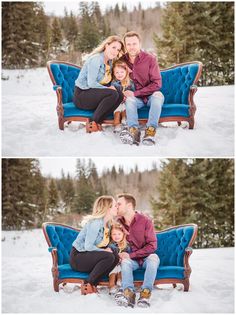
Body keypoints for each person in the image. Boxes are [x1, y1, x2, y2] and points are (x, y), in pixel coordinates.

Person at [119, 31, 165, 145]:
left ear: (140, 43)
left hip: (151, 96)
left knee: (157, 96)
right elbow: (116, 77)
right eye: (128, 44)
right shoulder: (121, 61)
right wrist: (124, 91)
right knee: (129, 100)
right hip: (135, 99)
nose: (131, 47)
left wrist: (136, 93)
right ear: (125, 45)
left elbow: (157, 83)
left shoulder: (150, 59)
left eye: (134, 44)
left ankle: (150, 132)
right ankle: (134, 131)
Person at [114, 194, 159, 308]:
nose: (116, 206)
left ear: (129, 205)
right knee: (125, 262)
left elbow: (152, 245)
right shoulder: (117, 222)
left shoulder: (145, 221)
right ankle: (129, 293)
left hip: (146, 258)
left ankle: (145, 294)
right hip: (131, 261)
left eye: (119, 204)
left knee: (153, 258)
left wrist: (132, 255)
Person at [73, 36, 125, 133]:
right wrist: (110, 89)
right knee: (112, 93)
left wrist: (120, 88)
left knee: (120, 95)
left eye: (118, 50)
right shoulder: (96, 59)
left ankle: (99, 122)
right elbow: (91, 83)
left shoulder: (109, 62)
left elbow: (107, 83)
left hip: (93, 94)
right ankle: (93, 123)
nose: (115, 51)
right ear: (106, 45)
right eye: (113, 47)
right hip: (82, 95)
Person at [69, 195, 120, 295]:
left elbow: (104, 244)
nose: (117, 207)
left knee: (115, 256)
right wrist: (105, 251)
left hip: (89, 256)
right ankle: (88, 285)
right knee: (109, 256)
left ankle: (94, 283)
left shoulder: (108, 224)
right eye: (114, 205)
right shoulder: (95, 223)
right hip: (78, 257)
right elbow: (88, 246)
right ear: (108, 208)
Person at [111, 60, 135, 133]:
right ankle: (117, 122)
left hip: (127, 101)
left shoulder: (130, 82)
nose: (119, 74)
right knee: (117, 105)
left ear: (126, 72)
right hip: (117, 102)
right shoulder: (113, 83)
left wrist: (128, 95)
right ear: (114, 73)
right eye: (117, 72)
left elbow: (133, 92)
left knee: (127, 103)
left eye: (122, 72)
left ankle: (124, 118)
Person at [108, 222, 131, 294]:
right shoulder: (110, 245)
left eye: (119, 234)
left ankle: (119, 279)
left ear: (123, 234)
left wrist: (124, 257)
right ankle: (111, 285)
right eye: (114, 234)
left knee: (123, 264)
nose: (116, 236)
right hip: (113, 264)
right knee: (114, 266)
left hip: (122, 263)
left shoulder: (126, 245)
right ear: (111, 235)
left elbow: (129, 255)